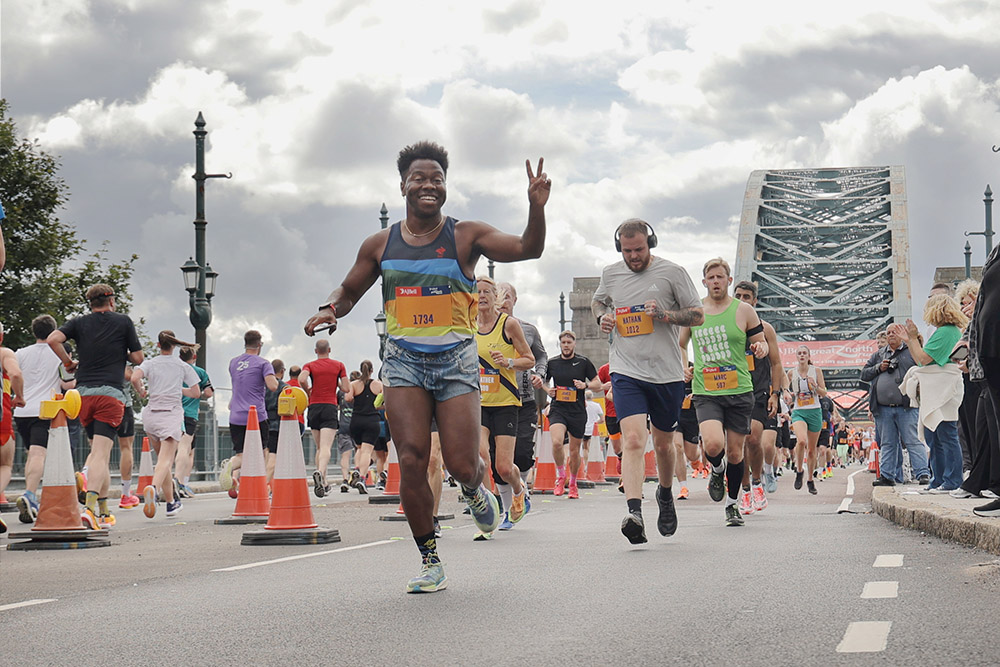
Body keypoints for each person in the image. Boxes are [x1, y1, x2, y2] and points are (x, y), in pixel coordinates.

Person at [304, 141, 549, 592]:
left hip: (456, 360)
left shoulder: (465, 236)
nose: (428, 185)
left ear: (446, 187)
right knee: (413, 460)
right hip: (403, 364)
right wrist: (330, 309)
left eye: (437, 179)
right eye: (419, 178)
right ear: (403, 185)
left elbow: (527, 248)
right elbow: (349, 289)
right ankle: (430, 559)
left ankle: (477, 490)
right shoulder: (380, 244)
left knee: (460, 464)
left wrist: (535, 208)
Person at [592, 219, 703, 542]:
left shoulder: (673, 273)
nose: (633, 256)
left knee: (666, 444)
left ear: (650, 243)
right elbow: (599, 300)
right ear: (619, 249)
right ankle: (634, 512)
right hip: (626, 370)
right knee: (634, 441)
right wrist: (603, 317)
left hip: (666, 373)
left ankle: (665, 494)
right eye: (627, 251)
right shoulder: (611, 273)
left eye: (639, 249)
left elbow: (697, 315)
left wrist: (665, 316)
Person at [679, 258, 767, 526]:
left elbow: (759, 341)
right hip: (706, 390)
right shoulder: (694, 312)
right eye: (711, 277)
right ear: (704, 281)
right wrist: (685, 366)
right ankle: (716, 469)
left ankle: (732, 504)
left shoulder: (744, 311)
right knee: (714, 444)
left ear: (729, 281)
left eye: (720, 277)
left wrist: (760, 348)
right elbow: (681, 344)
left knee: (737, 454)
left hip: (739, 389)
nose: (715, 282)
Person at [47, 284, 144, 529]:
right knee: (100, 456)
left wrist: (68, 362)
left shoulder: (78, 323)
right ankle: (88, 502)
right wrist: (125, 353)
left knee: (96, 450)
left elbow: (53, 339)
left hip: (82, 396)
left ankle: (103, 512)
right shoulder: (123, 322)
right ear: (111, 301)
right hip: (110, 394)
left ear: (90, 303)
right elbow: (139, 358)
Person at [475, 275, 534, 535]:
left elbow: (529, 359)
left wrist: (508, 362)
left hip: (505, 402)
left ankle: (520, 489)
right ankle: (489, 509)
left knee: (503, 467)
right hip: (477, 402)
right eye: (478, 292)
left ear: (496, 297)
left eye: (488, 292)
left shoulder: (508, 324)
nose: (483, 296)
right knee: (479, 458)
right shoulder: (467, 325)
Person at [894, 295, 967, 492]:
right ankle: (940, 479)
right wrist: (910, 340)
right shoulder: (948, 332)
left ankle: (951, 480)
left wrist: (911, 339)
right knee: (936, 434)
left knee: (945, 434)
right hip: (939, 387)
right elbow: (921, 359)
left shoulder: (945, 332)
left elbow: (922, 359)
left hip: (942, 388)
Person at [131, 332, 202, 518]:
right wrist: (179, 389)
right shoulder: (182, 366)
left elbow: (133, 377)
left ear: (158, 345)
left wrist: (141, 390)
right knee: (165, 461)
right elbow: (196, 393)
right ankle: (153, 490)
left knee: (163, 464)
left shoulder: (150, 363)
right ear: (174, 346)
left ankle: (171, 503)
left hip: (151, 415)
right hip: (171, 415)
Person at [496, 281, 547, 530]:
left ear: (515, 300)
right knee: (499, 460)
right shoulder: (480, 329)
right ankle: (509, 509)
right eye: (499, 295)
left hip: (524, 398)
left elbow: (541, 355)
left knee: (523, 453)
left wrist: (540, 373)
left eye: (507, 296)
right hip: (494, 399)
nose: (503, 300)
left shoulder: (527, 329)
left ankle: (521, 490)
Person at [733, 280, 785, 506]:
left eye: (746, 297)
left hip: (758, 390)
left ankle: (756, 482)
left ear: (754, 301)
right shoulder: (729, 327)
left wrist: (776, 394)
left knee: (753, 438)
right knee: (738, 443)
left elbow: (776, 364)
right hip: (731, 388)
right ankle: (744, 490)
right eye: (738, 296)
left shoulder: (766, 329)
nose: (742, 300)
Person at [531, 331, 601, 499]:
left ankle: (574, 482)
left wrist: (585, 385)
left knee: (575, 451)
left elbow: (597, 383)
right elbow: (544, 382)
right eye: (563, 342)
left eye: (569, 342)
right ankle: (561, 476)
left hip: (577, 410)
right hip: (558, 409)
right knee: (556, 442)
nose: (566, 345)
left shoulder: (583, 362)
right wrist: (549, 391)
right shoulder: (553, 362)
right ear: (560, 344)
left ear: (574, 344)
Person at [860, 325, 930, 486]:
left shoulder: (910, 351)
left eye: (894, 332)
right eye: (888, 332)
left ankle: (923, 474)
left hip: (906, 406)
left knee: (913, 440)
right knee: (888, 443)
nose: (891, 335)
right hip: (883, 408)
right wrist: (879, 368)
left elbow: (923, 365)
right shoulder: (879, 355)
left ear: (902, 334)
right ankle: (887, 475)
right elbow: (864, 374)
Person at [13, 316, 62, 523]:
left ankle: (30, 493)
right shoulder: (59, 353)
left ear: (34, 332)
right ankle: (30, 495)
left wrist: (19, 396)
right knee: (38, 454)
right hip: (45, 409)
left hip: (22, 411)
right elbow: (67, 384)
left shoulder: (20, 353)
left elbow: (14, 375)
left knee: (31, 454)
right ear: (54, 331)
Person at [221, 330, 278, 497]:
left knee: (241, 455)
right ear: (259, 345)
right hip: (256, 416)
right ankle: (258, 489)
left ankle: (230, 465)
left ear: (245, 343)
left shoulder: (233, 363)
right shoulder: (263, 363)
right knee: (261, 453)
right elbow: (273, 386)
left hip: (236, 415)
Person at [300, 340, 352, 497]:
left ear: (316, 350)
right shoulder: (339, 365)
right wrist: (335, 381)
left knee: (319, 448)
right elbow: (347, 388)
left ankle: (324, 482)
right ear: (329, 349)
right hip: (329, 406)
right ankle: (320, 472)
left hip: (314, 407)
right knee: (326, 448)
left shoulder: (309, 365)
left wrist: (308, 391)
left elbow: (302, 379)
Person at [785, 346, 827, 495]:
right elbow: (784, 387)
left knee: (811, 450)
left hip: (815, 411)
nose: (802, 355)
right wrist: (786, 393)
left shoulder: (816, 371)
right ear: (796, 356)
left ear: (809, 356)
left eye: (804, 353)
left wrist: (815, 387)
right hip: (799, 411)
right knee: (801, 441)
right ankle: (799, 471)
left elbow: (824, 392)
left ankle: (810, 479)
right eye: (799, 353)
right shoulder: (791, 372)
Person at [176, 346, 212, 497]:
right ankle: (182, 482)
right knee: (188, 451)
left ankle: (169, 481)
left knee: (171, 449)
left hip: (172, 413)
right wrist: (198, 394)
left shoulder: (175, 369)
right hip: (190, 414)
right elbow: (209, 393)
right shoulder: (200, 372)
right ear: (194, 357)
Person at [346, 360, 382, 494]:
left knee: (359, 449)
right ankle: (362, 477)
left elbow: (348, 398)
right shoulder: (378, 385)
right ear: (372, 370)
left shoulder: (354, 384)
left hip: (356, 420)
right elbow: (385, 399)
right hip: (372, 420)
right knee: (367, 451)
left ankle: (356, 468)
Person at [0, 323, 25, 509]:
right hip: (2, 417)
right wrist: (20, 396)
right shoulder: (4, 353)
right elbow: (15, 374)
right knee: (5, 466)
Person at [263, 359, 288, 484]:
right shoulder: (284, 387)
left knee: (264, 454)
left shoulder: (262, 386)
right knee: (273, 455)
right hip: (276, 425)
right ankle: (264, 484)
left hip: (262, 422)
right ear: (282, 371)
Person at [336, 371, 360, 492]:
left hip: (344, 425)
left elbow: (337, 406)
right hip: (357, 424)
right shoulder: (359, 390)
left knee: (345, 455)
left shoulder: (341, 392)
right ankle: (357, 472)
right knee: (359, 450)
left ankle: (345, 479)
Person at [581, 389, 605, 479]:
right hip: (593, 430)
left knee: (585, 447)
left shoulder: (583, 405)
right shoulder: (597, 406)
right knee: (591, 447)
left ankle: (585, 464)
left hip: (583, 428)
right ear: (592, 397)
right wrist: (595, 423)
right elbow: (602, 419)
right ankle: (591, 464)